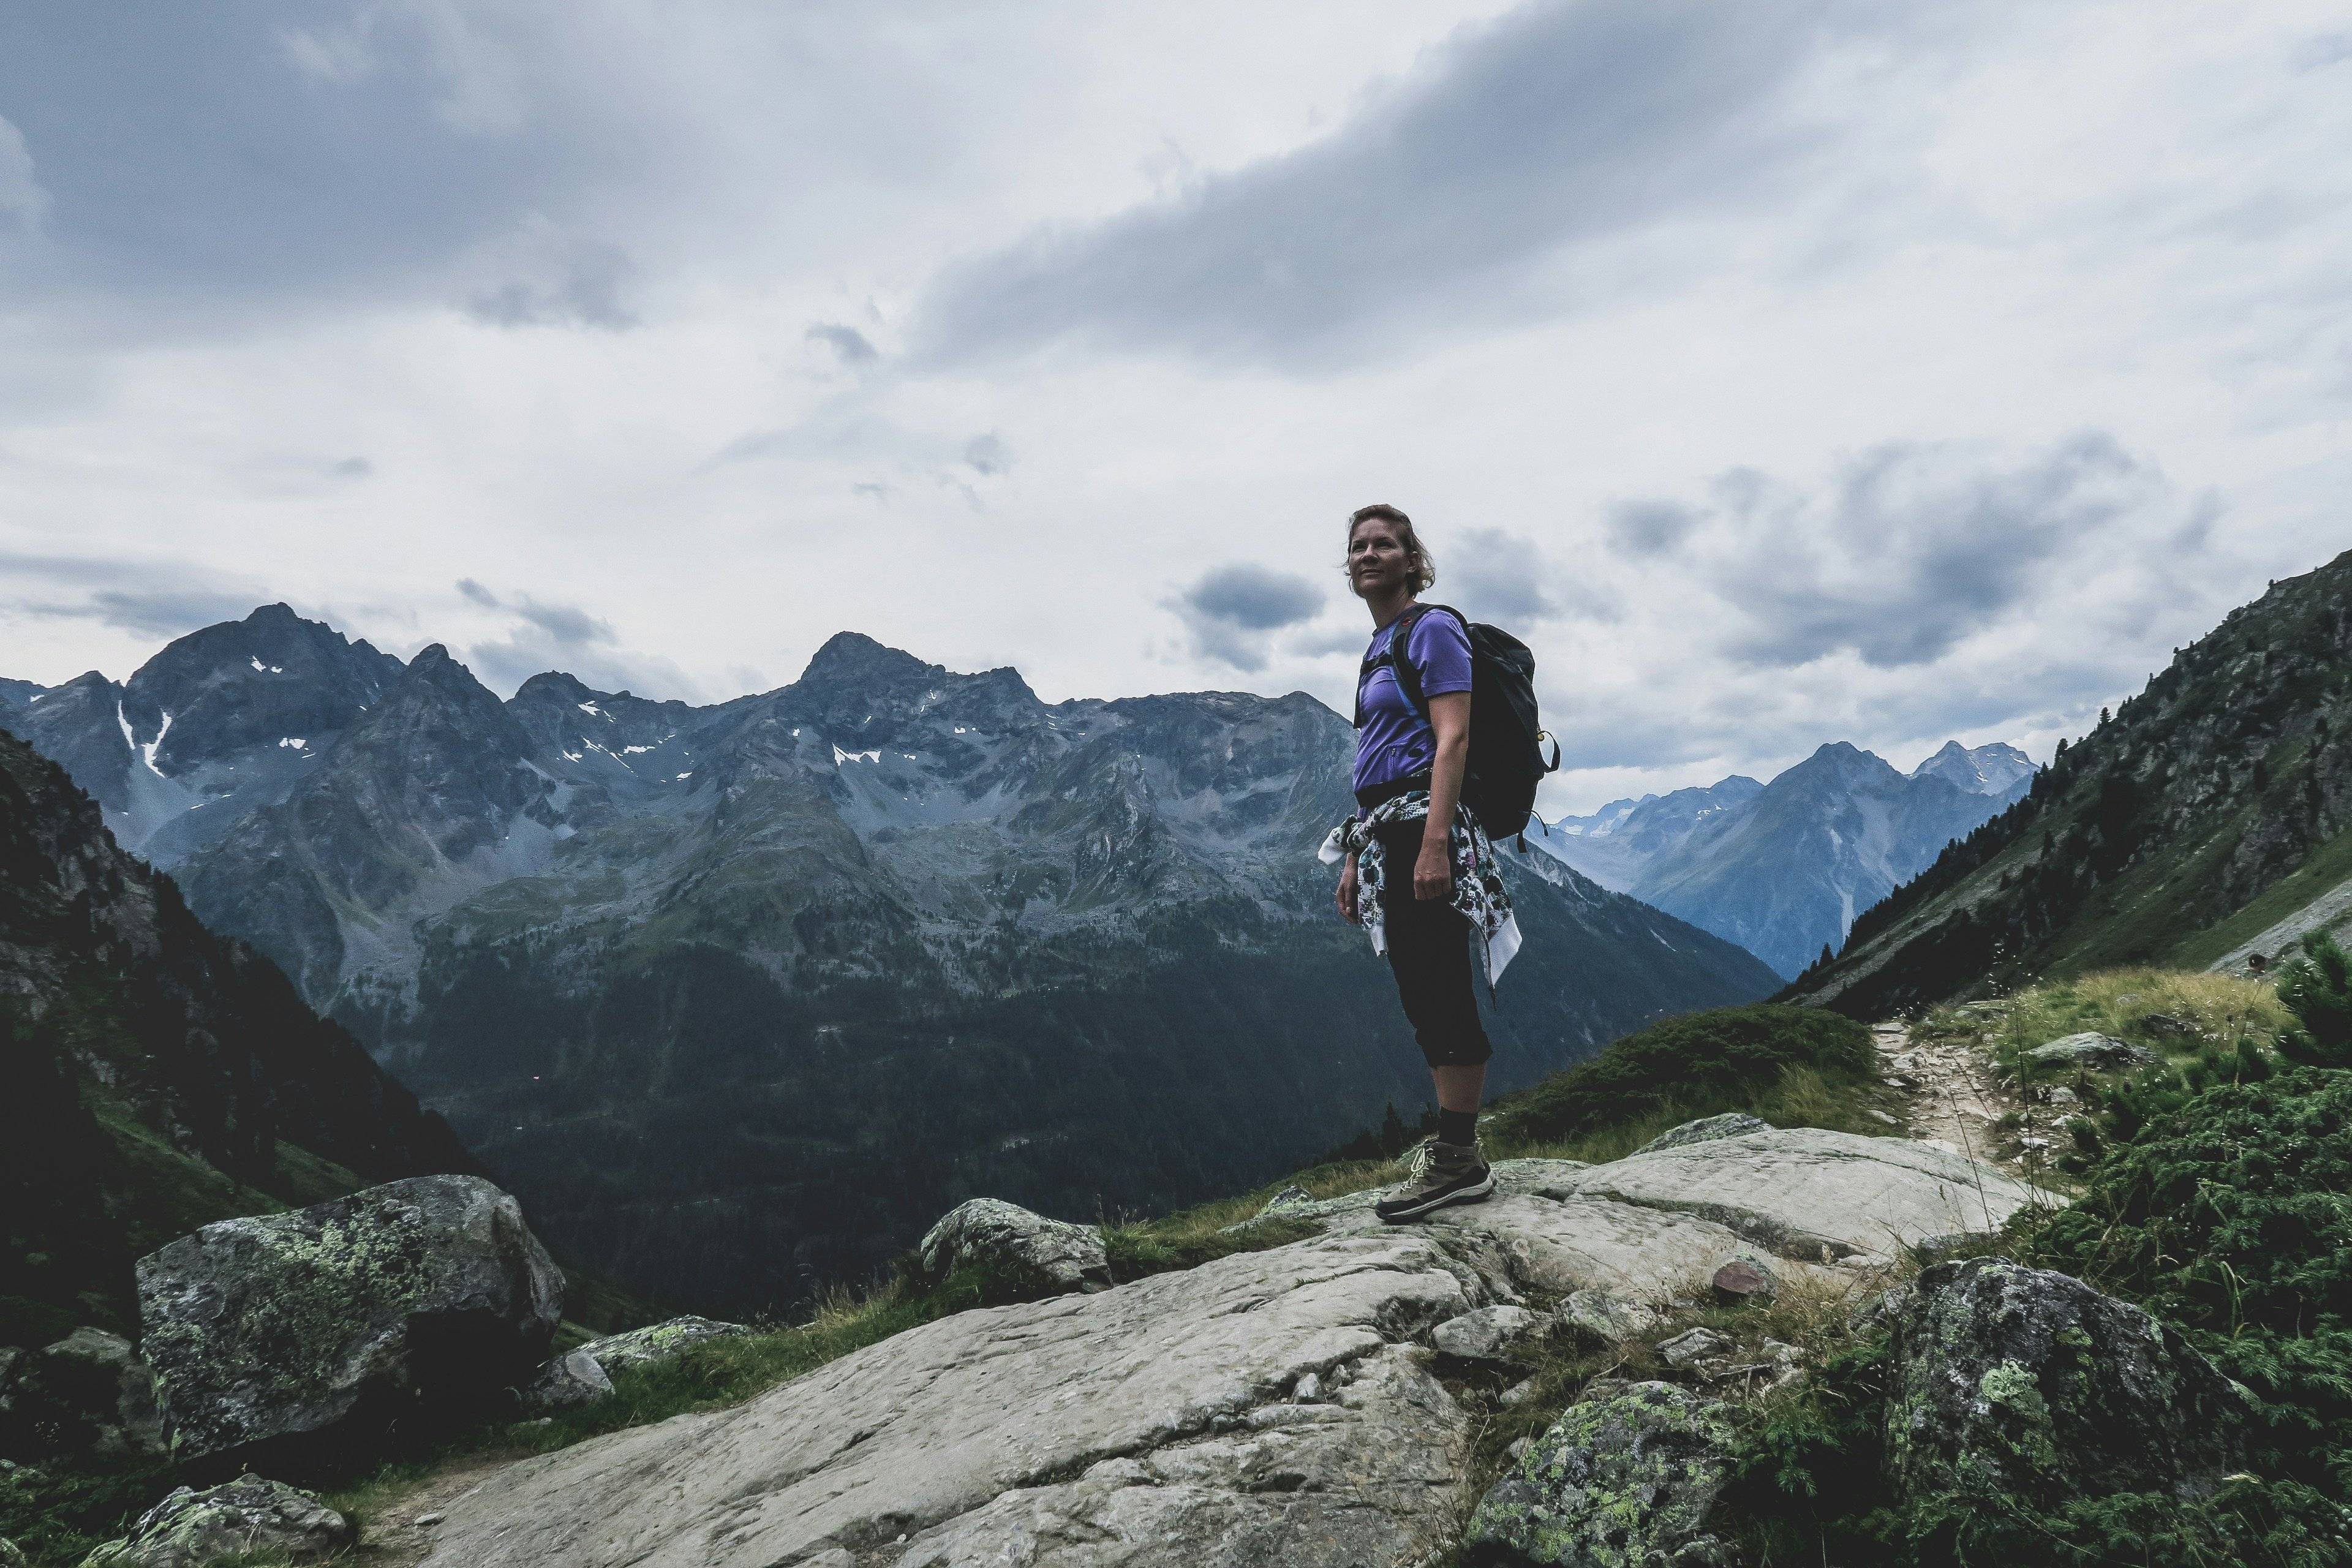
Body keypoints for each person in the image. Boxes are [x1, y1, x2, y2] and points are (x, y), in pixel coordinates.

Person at [1324, 502, 1515, 1223]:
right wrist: (1355, 855)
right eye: (1359, 546)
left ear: (1413, 561)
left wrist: (1435, 841)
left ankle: (1459, 1157)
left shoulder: (1431, 629)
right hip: (1388, 832)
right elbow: (1376, 765)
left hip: (1423, 830)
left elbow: (1453, 740)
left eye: (1385, 545)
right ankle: (1456, 1152)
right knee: (1419, 990)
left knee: (1439, 984)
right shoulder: (1379, 648)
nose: (1369, 554)